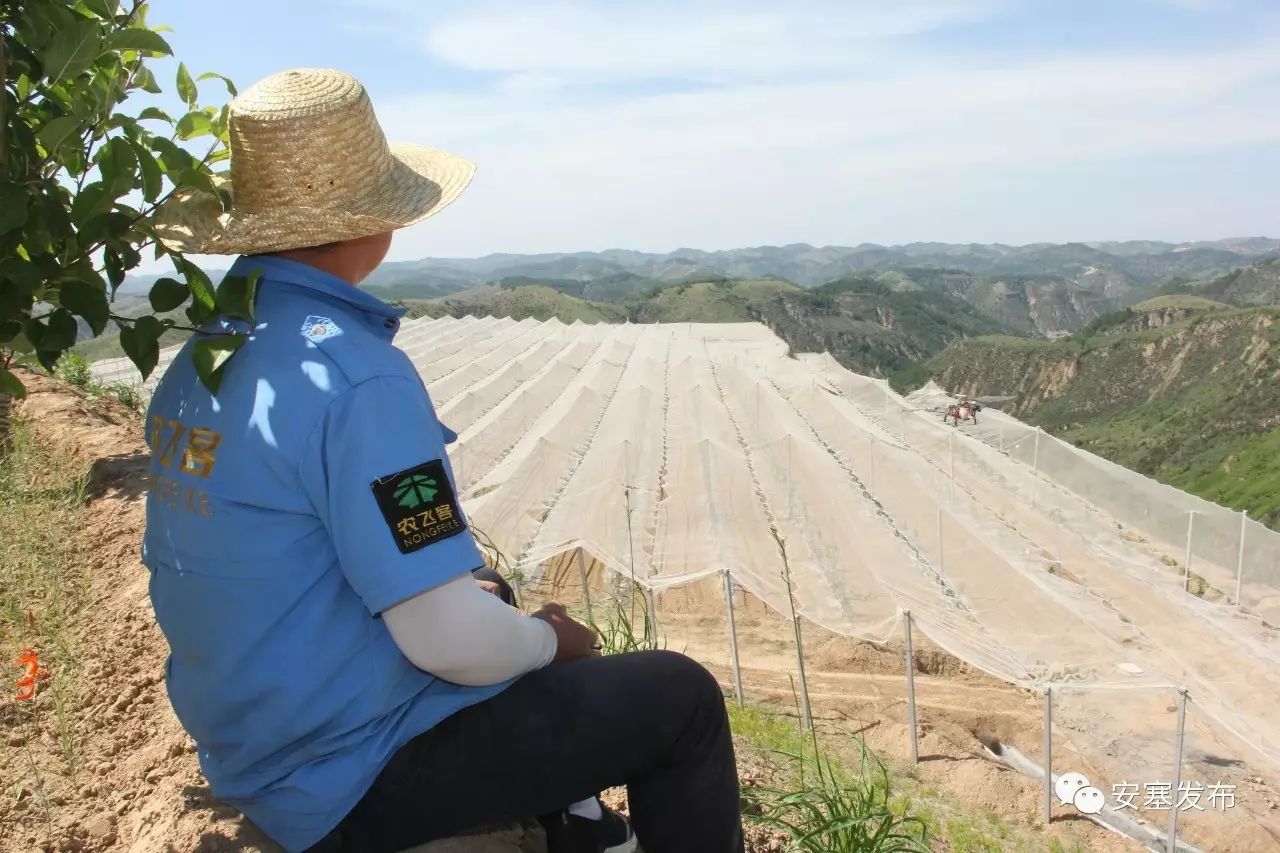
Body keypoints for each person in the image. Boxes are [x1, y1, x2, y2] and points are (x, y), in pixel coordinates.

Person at [144, 68, 743, 853]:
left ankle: (571, 820)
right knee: (682, 698)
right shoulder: (359, 380)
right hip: (353, 773)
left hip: (257, 744)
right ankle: (579, 818)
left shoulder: (207, 358)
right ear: (376, 224)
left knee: (478, 588)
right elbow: (446, 640)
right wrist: (549, 641)